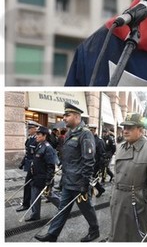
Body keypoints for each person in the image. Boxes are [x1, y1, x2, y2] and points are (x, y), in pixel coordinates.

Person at [35, 103, 99, 242]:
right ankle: (52, 235)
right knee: (62, 209)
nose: (64, 118)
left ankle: (95, 230)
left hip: (79, 182)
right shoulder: (70, 133)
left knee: (86, 209)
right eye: (64, 115)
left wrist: (84, 183)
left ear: (77, 116)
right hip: (68, 180)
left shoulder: (85, 134)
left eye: (67, 115)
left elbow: (89, 161)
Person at [110, 113, 147, 242]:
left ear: (140, 130)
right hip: (118, 201)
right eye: (124, 127)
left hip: (137, 203)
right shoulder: (121, 147)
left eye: (130, 128)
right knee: (117, 237)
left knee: (138, 237)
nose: (125, 130)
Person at [26, 126, 58, 222]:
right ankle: (35, 215)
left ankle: (63, 208)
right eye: (36, 134)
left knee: (49, 195)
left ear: (44, 136)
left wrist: (49, 179)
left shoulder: (48, 148)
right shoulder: (39, 145)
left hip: (43, 177)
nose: (36, 136)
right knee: (34, 195)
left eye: (38, 134)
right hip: (37, 176)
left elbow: (51, 165)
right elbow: (36, 161)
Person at [17, 121, 39, 212]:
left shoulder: (37, 139)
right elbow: (27, 153)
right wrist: (22, 163)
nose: (28, 130)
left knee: (30, 185)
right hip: (30, 165)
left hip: (35, 167)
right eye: (28, 128)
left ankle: (26, 204)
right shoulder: (29, 139)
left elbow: (37, 155)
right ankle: (27, 203)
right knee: (33, 186)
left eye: (30, 128)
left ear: (35, 129)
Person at [88, 125, 106, 197]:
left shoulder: (99, 140)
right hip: (89, 162)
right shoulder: (88, 139)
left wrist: (100, 166)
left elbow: (102, 154)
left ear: (94, 130)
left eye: (91, 130)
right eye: (89, 130)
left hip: (96, 163)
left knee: (92, 178)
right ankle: (99, 189)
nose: (90, 131)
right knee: (90, 178)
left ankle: (98, 190)